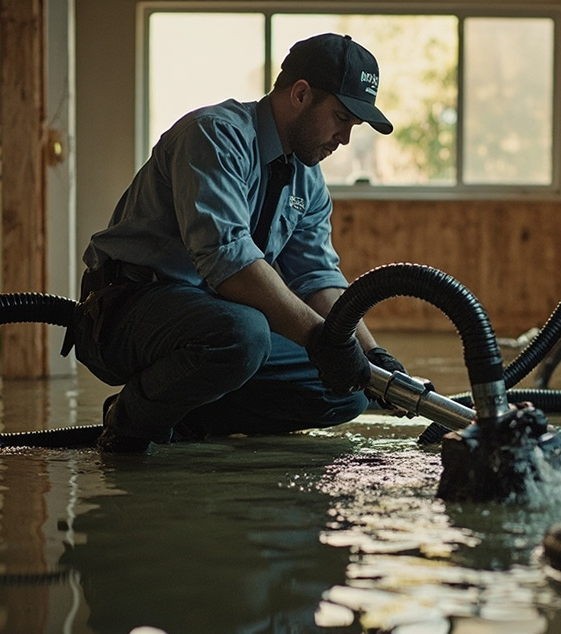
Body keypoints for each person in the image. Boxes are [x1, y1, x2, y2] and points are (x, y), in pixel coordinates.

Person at [68, 33, 410, 454]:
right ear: (301, 94)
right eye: (341, 118)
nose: (344, 138)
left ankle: (180, 414)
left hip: (212, 323)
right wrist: (324, 342)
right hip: (129, 310)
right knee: (243, 333)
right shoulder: (214, 136)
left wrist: (371, 355)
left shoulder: (308, 180)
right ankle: (129, 421)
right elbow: (228, 260)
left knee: (349, 387)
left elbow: (318, 278)